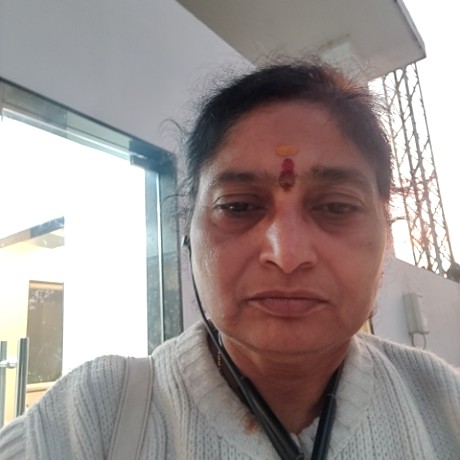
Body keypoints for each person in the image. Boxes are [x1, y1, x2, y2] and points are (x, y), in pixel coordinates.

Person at [1, 60, 459, 460]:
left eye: (337, 207)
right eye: (238, 206)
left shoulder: (446, 406)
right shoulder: (92, 420)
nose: (287, 255)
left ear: (386, 232)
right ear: (188, 233)